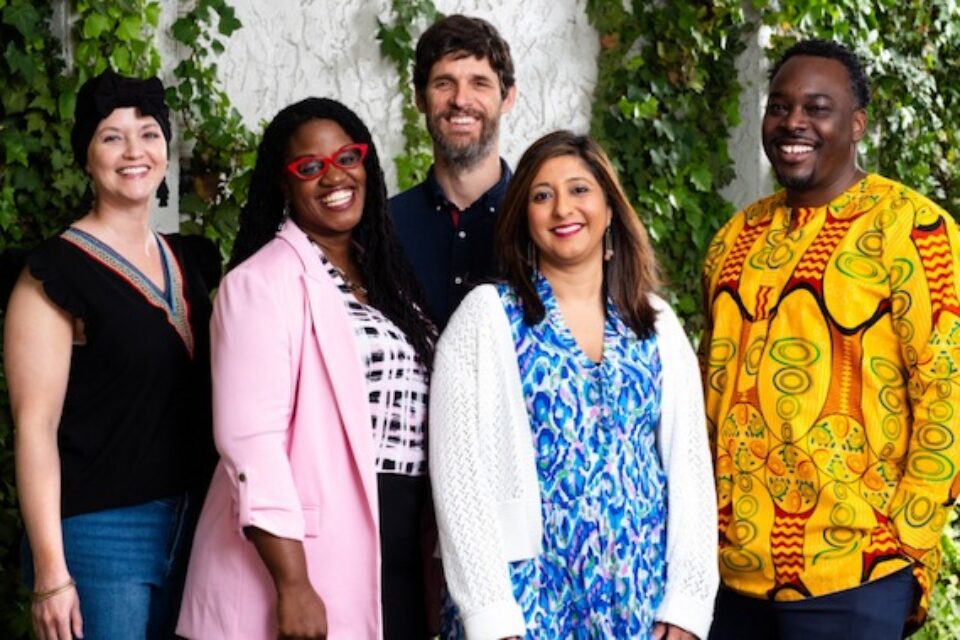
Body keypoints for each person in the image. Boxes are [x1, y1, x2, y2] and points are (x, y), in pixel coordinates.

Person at [701, 39, 960, 640]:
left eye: (817, 108)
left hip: (857, 571)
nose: (793, 122)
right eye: (780, 106)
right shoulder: (734, 239)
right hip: (728, 573)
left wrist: (905, 540)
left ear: (857, 124)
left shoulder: (914, 231)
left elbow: (948, 396)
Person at [430, 130, 719, 639]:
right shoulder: (488, 319)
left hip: (640, 601)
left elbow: (690, 472)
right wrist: (491, 617)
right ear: (525, 217)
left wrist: (687, 607)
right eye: (542, 195)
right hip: (526, 604)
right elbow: (459, 482)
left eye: (580, 190)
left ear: (609, 208)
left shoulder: (654, 324)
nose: (563, 207)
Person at [177, 97, 437, 640]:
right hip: (300, 561)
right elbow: (250, 441)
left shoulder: (388, 283)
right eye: (309, 167)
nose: (334, 176)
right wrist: (292, 584)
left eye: (347, 156)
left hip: (395, 549)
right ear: (284, 184)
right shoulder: (260, 284)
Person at [3, 69, 219, 640]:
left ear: (167, 152)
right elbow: (35, 427)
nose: (134, 151)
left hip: (195, 522)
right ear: (87, 157)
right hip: (100, 534)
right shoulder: (53, 274)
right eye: (112, 136)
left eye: (148, 133)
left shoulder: (188, 261)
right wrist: (51, 573)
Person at [390, 14, 517, 329]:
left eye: (479, 83)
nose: (461, 100)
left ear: (508, 97)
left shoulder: (539, 220)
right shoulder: (383, 227)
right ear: (420, 98)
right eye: (444, 83)